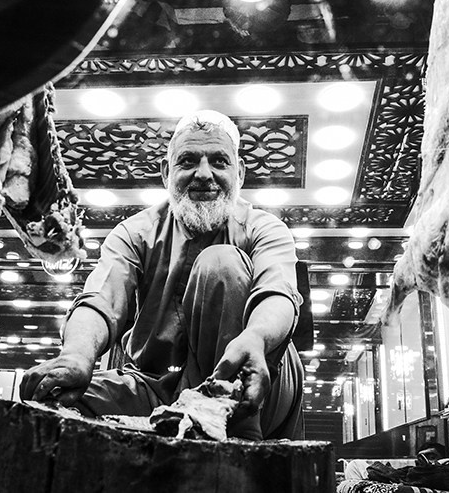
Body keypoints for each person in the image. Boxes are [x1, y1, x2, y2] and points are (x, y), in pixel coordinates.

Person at [19, 109, 305, 440]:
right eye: (187, 161)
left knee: (221, 263)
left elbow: (278, 294)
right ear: (166, 173)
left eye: (218, 161)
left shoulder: (264, 227)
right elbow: (100, 300)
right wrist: (76, 356)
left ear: (239, 173)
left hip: (254, 383)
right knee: (51, 399)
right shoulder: (135, 231)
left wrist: (256, 338)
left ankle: (236, 440)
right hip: (157, 387)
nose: (203, 174)